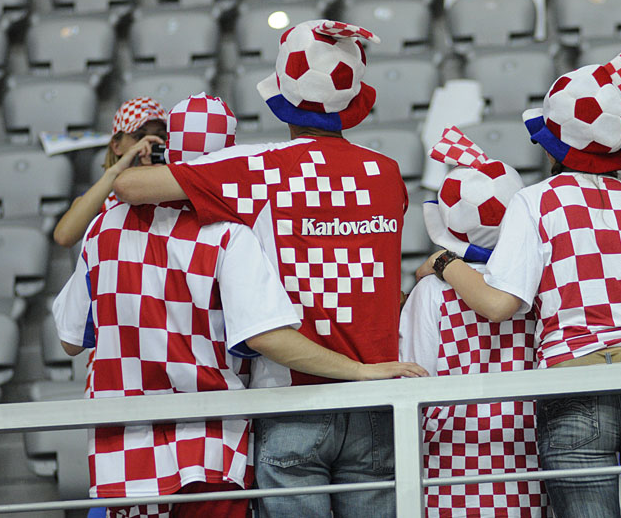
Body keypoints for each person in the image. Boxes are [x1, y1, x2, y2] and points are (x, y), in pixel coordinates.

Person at [53, 93, 426, 518]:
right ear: (227, 150)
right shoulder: (228, 235)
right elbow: (265, 335)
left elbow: (70, 340)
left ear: (169, 146)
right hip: (213, 446)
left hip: (123, 455)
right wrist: (359, 369)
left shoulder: (102, 229)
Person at [417, 36, 621, 517]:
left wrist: (444, 262)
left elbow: (499, 304)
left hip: (575, 388)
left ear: (552, 145)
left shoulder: (535, 201)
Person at [400, 126, 549, 517]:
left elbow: (414, 380)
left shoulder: (432, 291)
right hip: (531, 456)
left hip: (451, 466)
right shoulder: (539, 282)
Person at [53, 96, 167, 248]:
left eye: (161, 137)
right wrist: (115, 171)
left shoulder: (176, 192)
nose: (150, 143)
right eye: (139, 136)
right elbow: (64, 236)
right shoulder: (104, 200)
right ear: (116, 146)